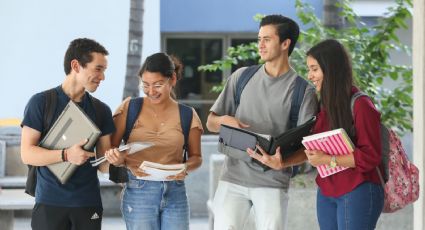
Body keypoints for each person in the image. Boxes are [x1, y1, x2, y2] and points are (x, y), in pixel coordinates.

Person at [206, 15, 318, 229]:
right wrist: (223, 120)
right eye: (259, 39)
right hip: (232, 178)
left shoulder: (304, 92)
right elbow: (210, 123)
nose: (260, 45)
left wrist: (283, 163)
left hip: (272, 183)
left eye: (267, 39)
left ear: (285, 44)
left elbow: (309, 148)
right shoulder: (241, 78)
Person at [20, 38, 115, 230]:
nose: (103, 77)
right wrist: (65, 155)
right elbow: (27, 154)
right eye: (98, 69)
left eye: (104, 70)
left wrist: (117, 159)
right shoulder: (41, 103)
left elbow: (104, 166)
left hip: (88, 203)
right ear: (76, 65)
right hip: (49, 203)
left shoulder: (101, 110)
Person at [104, 52, 203, 230]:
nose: (151, 91)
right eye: (146, 85)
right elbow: (110, 147)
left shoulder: (187, 114)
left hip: (176, 191)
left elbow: (196, 157)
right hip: (138, 190)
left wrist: (185, 167)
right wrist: (117, 158)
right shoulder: (130, 108)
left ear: (172, 79)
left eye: (158, 85)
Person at [304, 39, 384, 229]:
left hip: (358, 189)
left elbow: (370, 157)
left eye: (314, 69)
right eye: (309, 69)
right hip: (326, 189)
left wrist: (327, 160)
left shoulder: (361, 104)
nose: (310, 75)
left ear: (330, 69)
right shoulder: (322, 104)